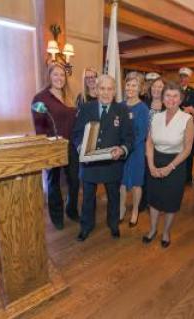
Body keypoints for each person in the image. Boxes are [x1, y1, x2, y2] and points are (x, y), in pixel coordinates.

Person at [73, 74, 134, 241]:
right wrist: (81, 149)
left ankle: (113, 224)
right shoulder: (86, 108)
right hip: (89, 164)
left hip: (112, 163)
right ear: (96, 90)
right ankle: (86, 226)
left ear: (114, 91)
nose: (106, 93)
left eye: (109, 89)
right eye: (102, 88)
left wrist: (122, 150)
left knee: (114, 197)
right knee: (87, 198)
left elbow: (129, 138)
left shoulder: (122, 110)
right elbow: (77, 133)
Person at [142, 81, 194, 248]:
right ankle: (152, 229)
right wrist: (150, 165)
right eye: (168, 96)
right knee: (154, 199)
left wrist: (169, 167)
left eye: (175, 96)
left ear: (181, 99)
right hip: (155, 161)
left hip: (176, 164)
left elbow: (187, 149)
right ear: (162, 98)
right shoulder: (156, 117)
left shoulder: (187, 119)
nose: (171, 99)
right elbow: (149, 142)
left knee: (171, 202)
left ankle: (166, 232)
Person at [32, 63, 80, 230]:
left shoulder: (69, 96)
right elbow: (39, 126)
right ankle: (57, 216)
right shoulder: (41, 98)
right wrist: (47, 145)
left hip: (71, 145)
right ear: (49, 77)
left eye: (62, 75)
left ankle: (71, 209)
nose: (59, 78)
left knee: (75, 179)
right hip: (52, 147)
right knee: (54, 183)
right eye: (56, 75)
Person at [119, 72, 149, 226]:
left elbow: (142, 133)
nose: (130, 88)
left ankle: (135, 210)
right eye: (128, 84)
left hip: (136, 151)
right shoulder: (119, 106)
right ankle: (121, 207)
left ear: (140, 88)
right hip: (121, 151)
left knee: (137, 183)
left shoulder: (143, 109)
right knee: (122, 182)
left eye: (134, 85)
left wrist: (127, 148)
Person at [139, 76, 165, 212]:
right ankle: (143, 202)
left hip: (160, 147)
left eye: (160, 87)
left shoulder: (167, 106)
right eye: (154, 86)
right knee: (144, 174)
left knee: (155, 174)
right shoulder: (144, 103)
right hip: (144, 144)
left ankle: (154, 203)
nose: (156, 89)